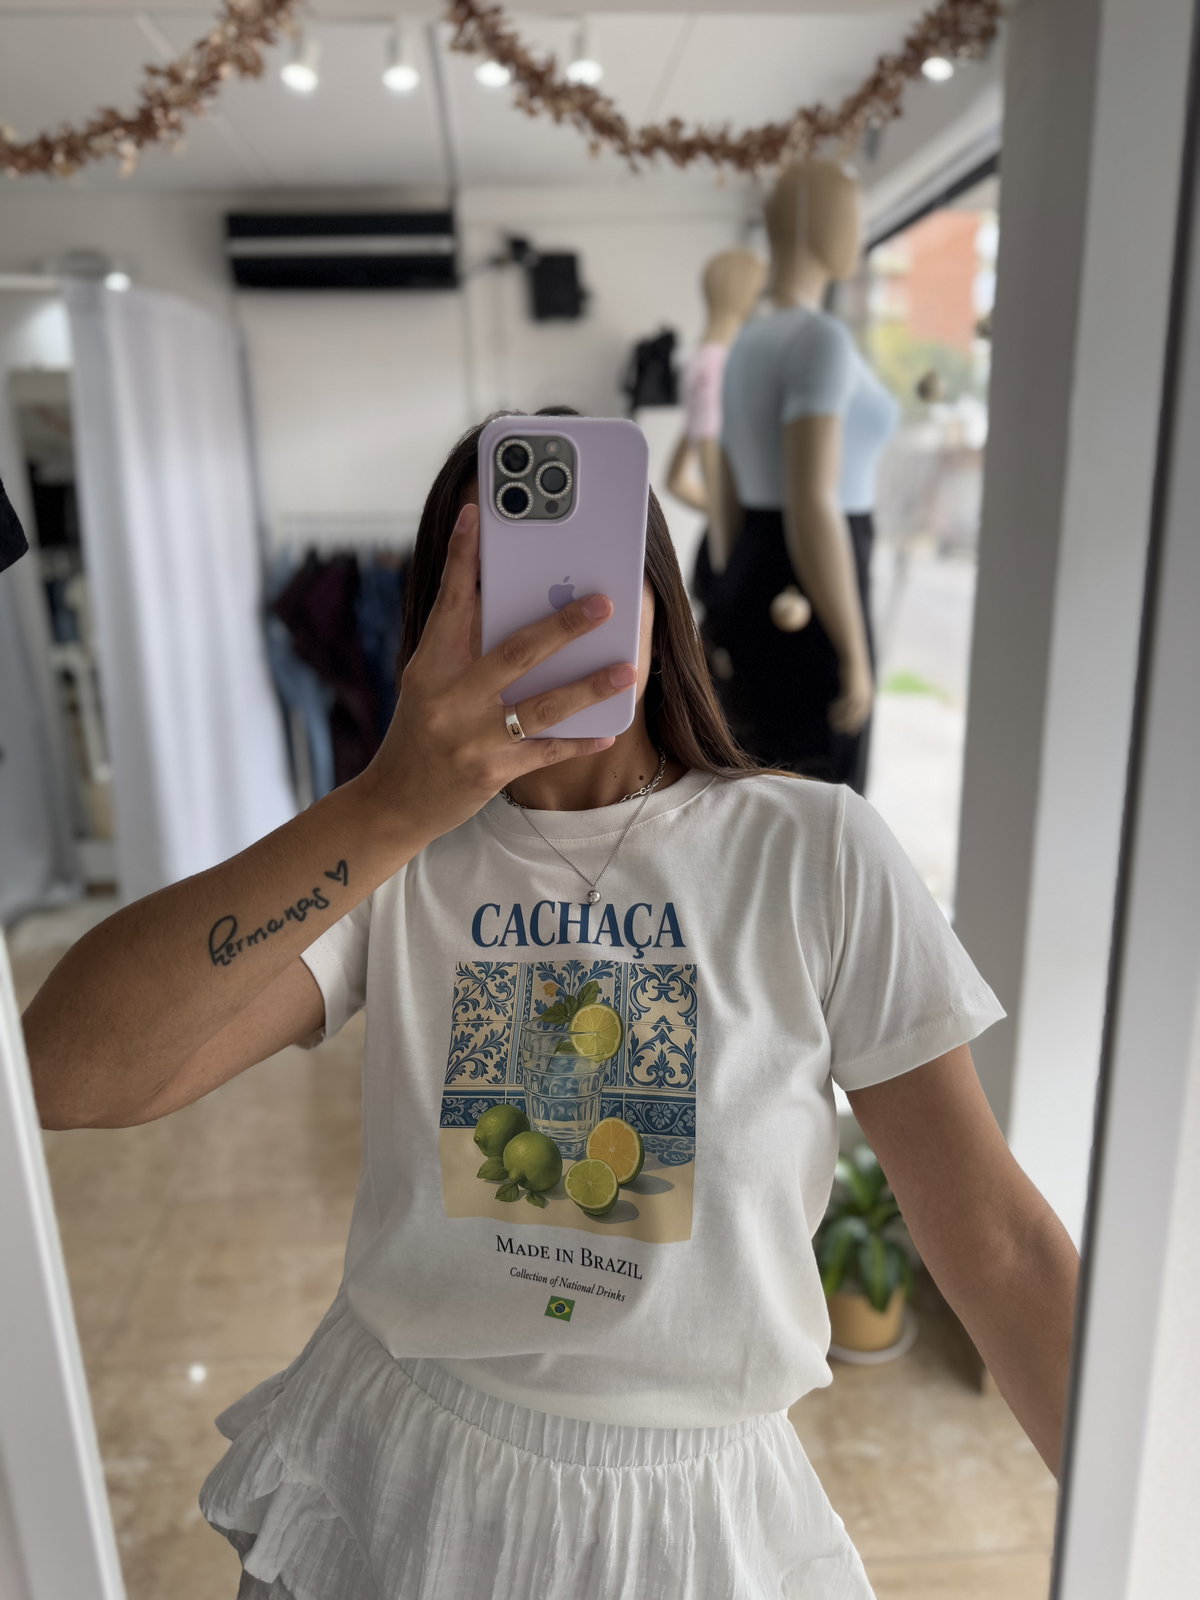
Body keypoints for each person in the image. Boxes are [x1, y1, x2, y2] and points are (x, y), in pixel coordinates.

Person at [25, 407, 1011, 1599]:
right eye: (490, 588)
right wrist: (389, 804)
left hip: (689, 1522)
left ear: (654, 594)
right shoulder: (395, 858)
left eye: (580, 567)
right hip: (391, 1466)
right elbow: (64, 1073)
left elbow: (997, 1243)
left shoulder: (814, 852)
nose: (548, 615)